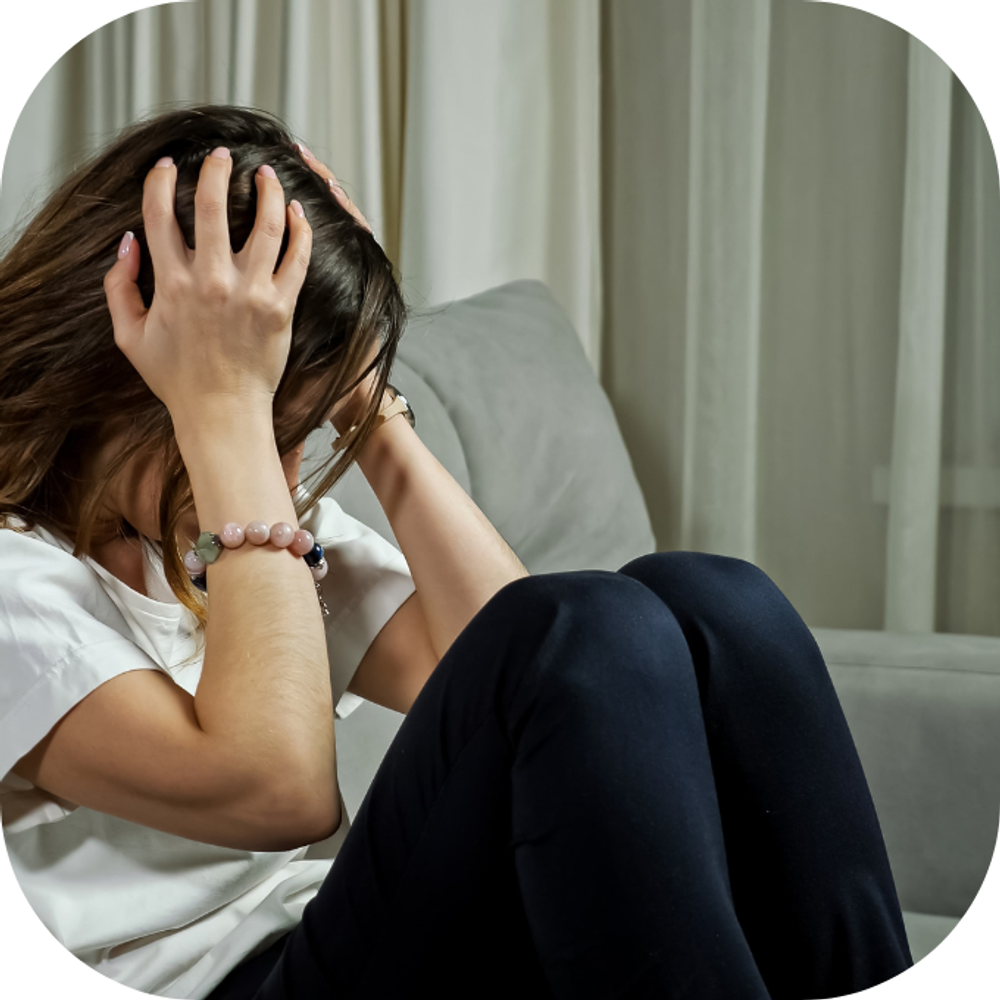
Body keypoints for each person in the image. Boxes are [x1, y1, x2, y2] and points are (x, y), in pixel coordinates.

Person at [0, 104, 913, 1000]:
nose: (279, 473)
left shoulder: (220, 531)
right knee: (584, 624)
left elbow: (535, 677)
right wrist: (226, 411)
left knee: (718, 604)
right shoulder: (23, 580)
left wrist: (365, 399)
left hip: (331, 934)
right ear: (124, 364)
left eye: (298, 432)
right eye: (261, 423)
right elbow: (281, 793)